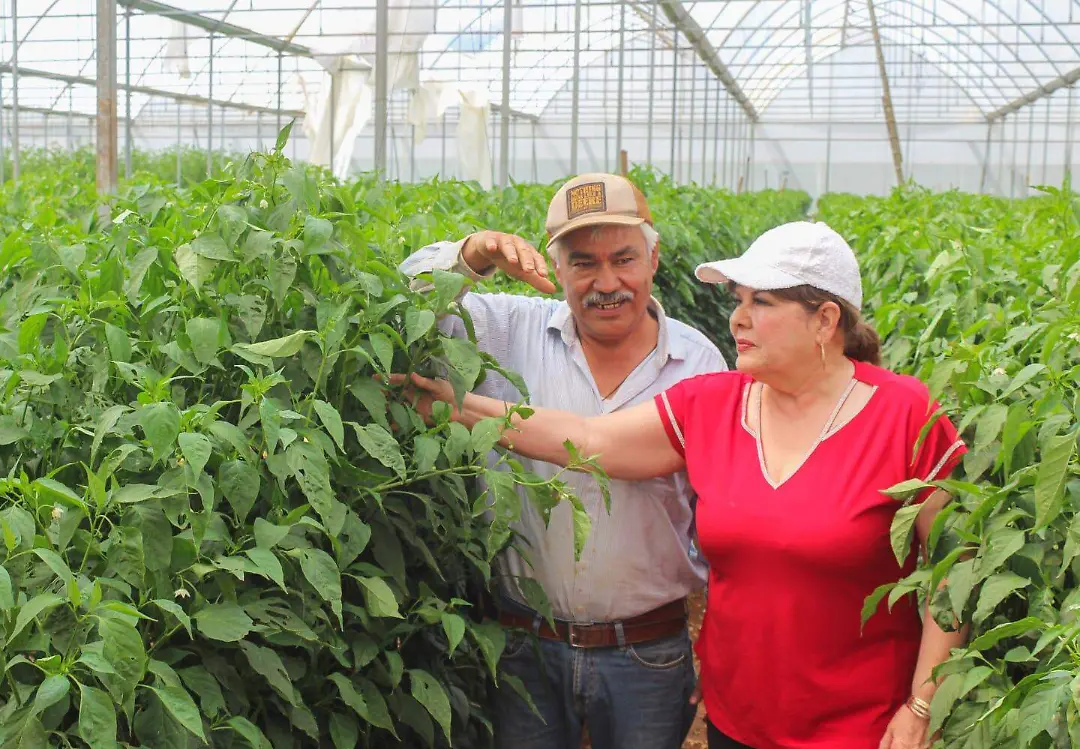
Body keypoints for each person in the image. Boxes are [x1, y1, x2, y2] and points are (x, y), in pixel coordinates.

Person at [395, 221, 968, 749]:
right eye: (738, 301)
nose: (738, 318)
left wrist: (921, 703)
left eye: (761, 303)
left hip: (860, 722)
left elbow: (953, 571)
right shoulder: (715, 404)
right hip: (737, 719)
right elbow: (589, 440)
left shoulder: (906, 416)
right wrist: (457, 408)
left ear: (824, 320)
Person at [398, 173, 726, 749]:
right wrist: (469, 255)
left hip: (648, 648)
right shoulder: (506, 330)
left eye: (624, 259)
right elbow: (397, 310)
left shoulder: (698, 362)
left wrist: (723, 643)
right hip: (524, 642)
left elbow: (725, 514)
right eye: (582, 264)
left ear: (654, 259)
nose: (607, 283)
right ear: (556, 269)